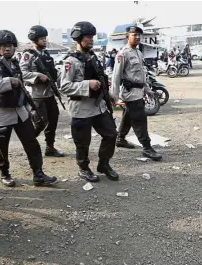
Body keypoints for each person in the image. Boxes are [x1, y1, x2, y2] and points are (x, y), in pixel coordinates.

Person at [0, 29, 57, 187]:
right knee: (1, 147)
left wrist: (29, 103)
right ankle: (4, 173)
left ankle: (38, 174)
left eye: (10, 45)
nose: (8, 49)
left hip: (20, 111)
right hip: (1, 113)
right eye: (4, 46)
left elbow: (23, 85)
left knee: (32, 143)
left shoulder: (15, 63)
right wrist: (8, 82)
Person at [59, 21, 119, 182]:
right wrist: (87, 84)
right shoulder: (70, 61)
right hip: (81, 109)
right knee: (83, 142)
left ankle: (104, 163)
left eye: (92, 36)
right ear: (78, 38)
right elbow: (64, 86)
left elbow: (101, 77)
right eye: (87, 36)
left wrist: (109, 95)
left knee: (111, 134)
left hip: (98, 106)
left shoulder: (93, 56)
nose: (91, 39)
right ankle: (83, 168)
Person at [111, 26, 162, 161]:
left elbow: (141, 76)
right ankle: (147, 147)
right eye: (134, 35)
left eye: (139, 35)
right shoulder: (123, 53)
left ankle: (120, 138)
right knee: (140, 119)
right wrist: (114, 97)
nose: (138, 37)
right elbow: (116, 76)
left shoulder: (138, 53)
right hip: (130, 93)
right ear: (127, 37)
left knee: (129, 116)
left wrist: (147, 89)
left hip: (139, 91)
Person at [19, 25, 64, 157]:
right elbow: (22, 73)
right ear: (35, 39)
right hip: (36, 95)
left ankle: (50, 147)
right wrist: (38, 76)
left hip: (49, 93)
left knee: (53, 120)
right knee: (40, 122)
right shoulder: (28, 55)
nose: (45, 40)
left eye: (45, 38)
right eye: (42, 38)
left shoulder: (46, 54)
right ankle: (29, 144)